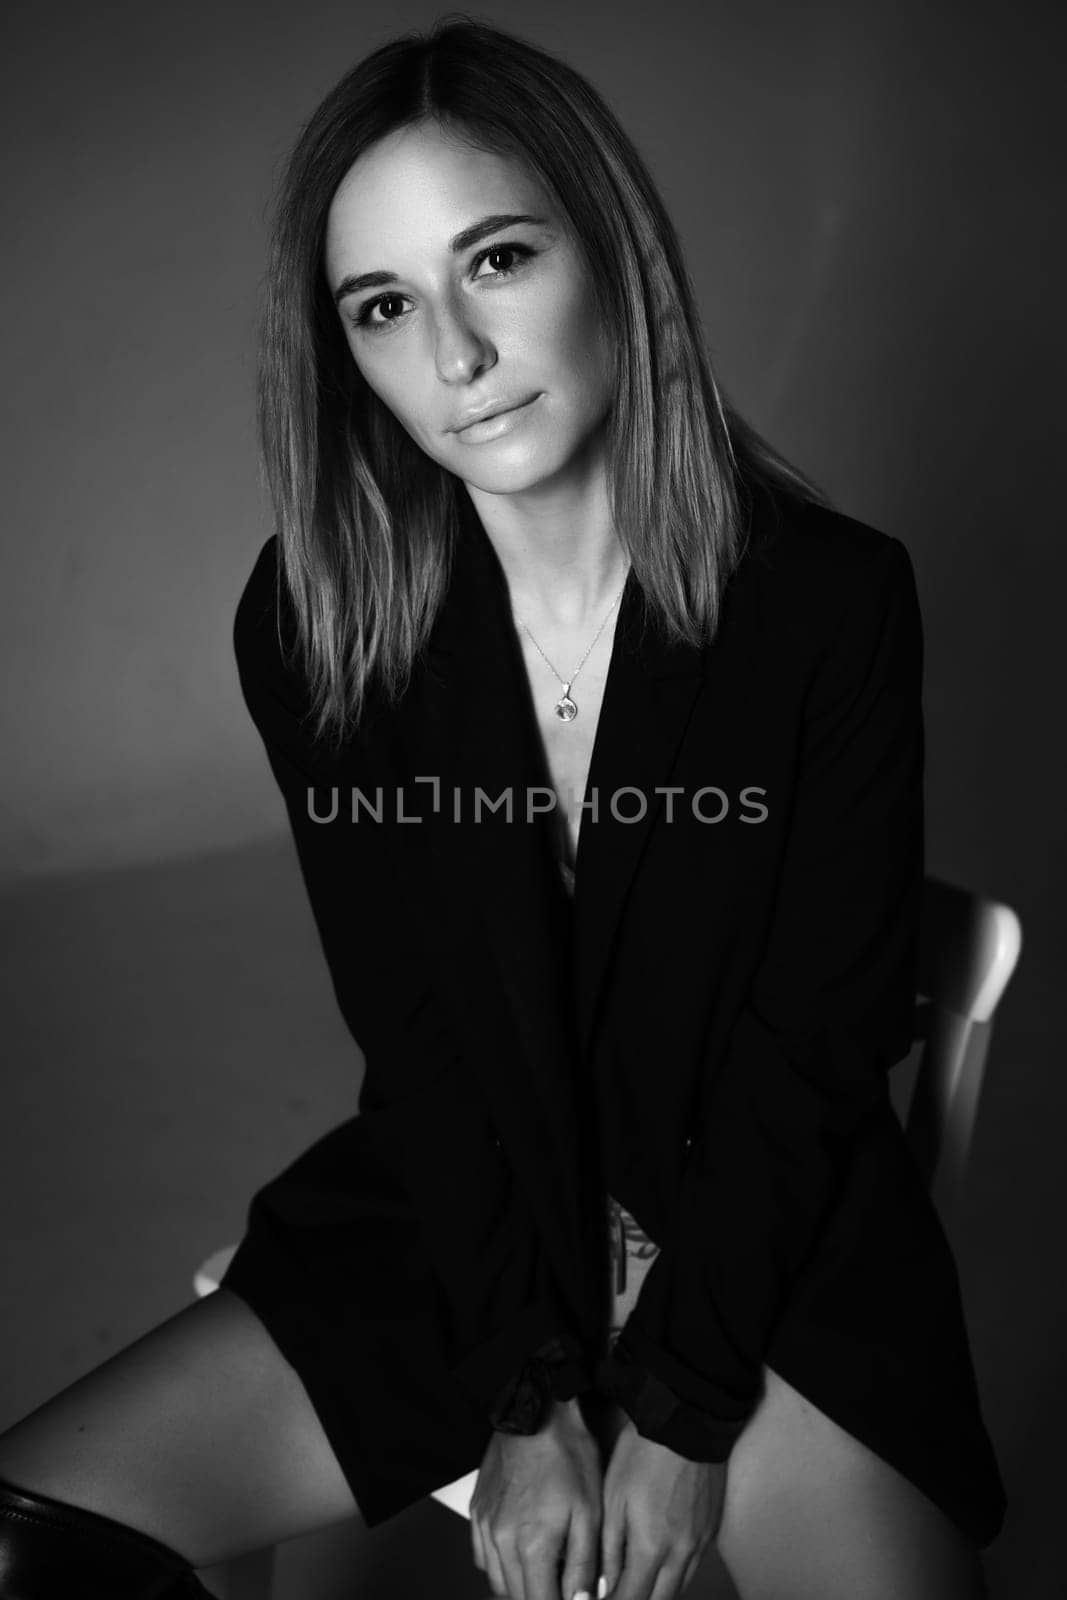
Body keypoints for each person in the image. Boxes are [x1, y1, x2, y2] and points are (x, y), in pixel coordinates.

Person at [0, 16, 1006, 1600]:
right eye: (387, 306)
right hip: (469, 1221)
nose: (454, 358)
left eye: (500, 261)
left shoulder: (828, 602)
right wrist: (527, 1394)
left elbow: (814, 1050)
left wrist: (674, 1416)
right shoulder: (321, 623)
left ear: (610, 250)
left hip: (764, 1244)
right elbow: (424, 1038)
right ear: (348, 352)